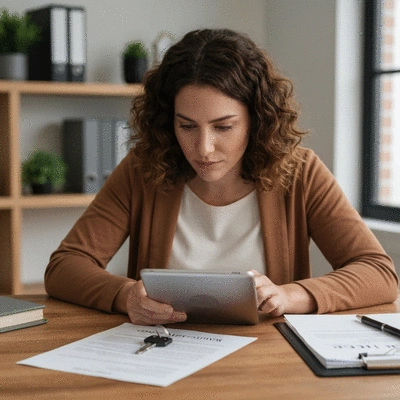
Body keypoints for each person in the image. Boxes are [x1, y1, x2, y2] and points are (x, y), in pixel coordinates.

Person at [45, 28, 399, 326]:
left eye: (223, 127)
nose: (203, 148)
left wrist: (290, 294)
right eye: (187, 126)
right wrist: (125, 295)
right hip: (161, 353)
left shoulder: (300, 171)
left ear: (257, 120)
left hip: (267, 361)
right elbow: (65, 266)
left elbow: (379, 273)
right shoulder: (143, 169)